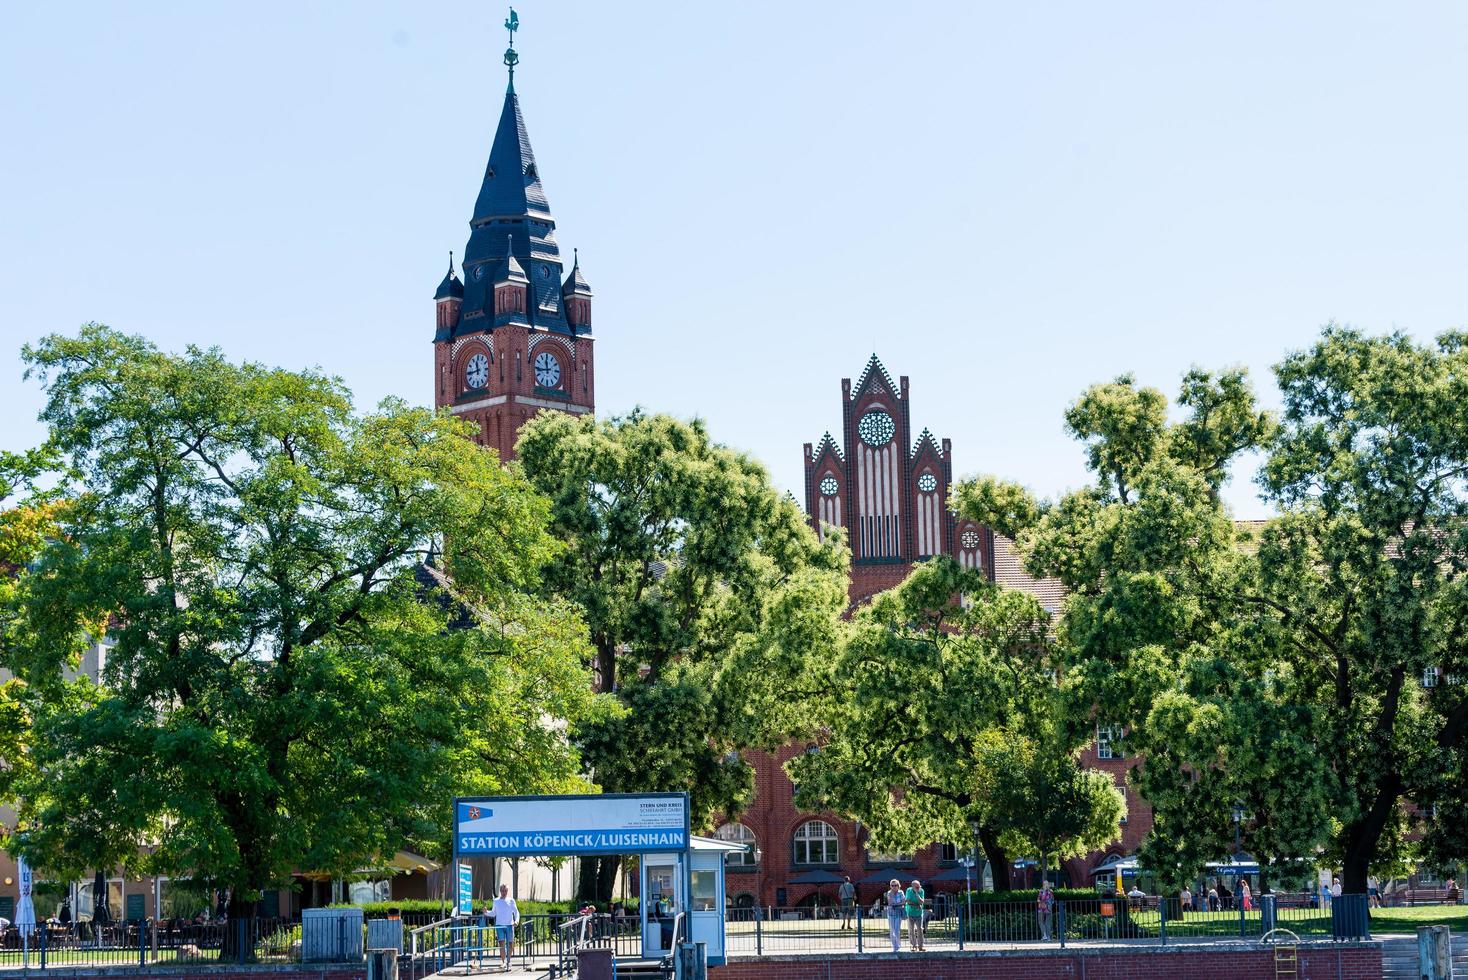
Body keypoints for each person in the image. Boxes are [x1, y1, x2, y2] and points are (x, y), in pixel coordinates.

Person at [491, 883, 520, 972]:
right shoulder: (496, 901)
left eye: (506, 891)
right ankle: (504, 962)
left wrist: (517, 921)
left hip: (509, 925)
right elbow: (493, 913)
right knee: (502, 944)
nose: (504, 892)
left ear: (507, 891)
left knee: (511, 944)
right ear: (500, 891)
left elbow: (516, 912)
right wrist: (485, 912)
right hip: (499, 925)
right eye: (503, 891)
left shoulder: (511, 900)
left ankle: (509, 961)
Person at [904, 879, 926, 952]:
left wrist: (917, 894)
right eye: (916, 887)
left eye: (919, 886)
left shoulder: (921, 891)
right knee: (911, 930)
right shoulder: (908, 890)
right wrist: (917, 905)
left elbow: (922, 901)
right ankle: (913, 946)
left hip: (919, 914)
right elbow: (908, 901)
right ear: (912, 886)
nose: (918, 888)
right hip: (910, 913)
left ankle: (921, 946)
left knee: (920, 929)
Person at [884, 879, 905, 953]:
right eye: (892, 885)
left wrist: (896, 905)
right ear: (890, 886)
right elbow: (890, 903)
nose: (894, 887)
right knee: (892, 930)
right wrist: (897, 903)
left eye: (895, 885)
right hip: (891, 913)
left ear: (898, 886)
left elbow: (903, 902)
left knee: (897, 930)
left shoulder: (901, 892)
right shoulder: (889, 893)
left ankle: (898, 945)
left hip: (898, 913)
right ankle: (894, 946)